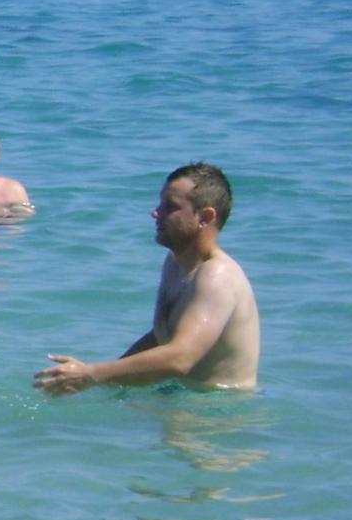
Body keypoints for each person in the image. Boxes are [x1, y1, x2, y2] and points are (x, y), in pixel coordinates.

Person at [35, 163, 259, 395]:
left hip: (222, 406)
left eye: (170, 207)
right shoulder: (175, 263)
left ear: (205, 217)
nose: (155, 213)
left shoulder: (216, 276)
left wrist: (92, 374)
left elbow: (180, 358)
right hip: (183, 395)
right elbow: (162, 337)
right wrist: (106, 383)